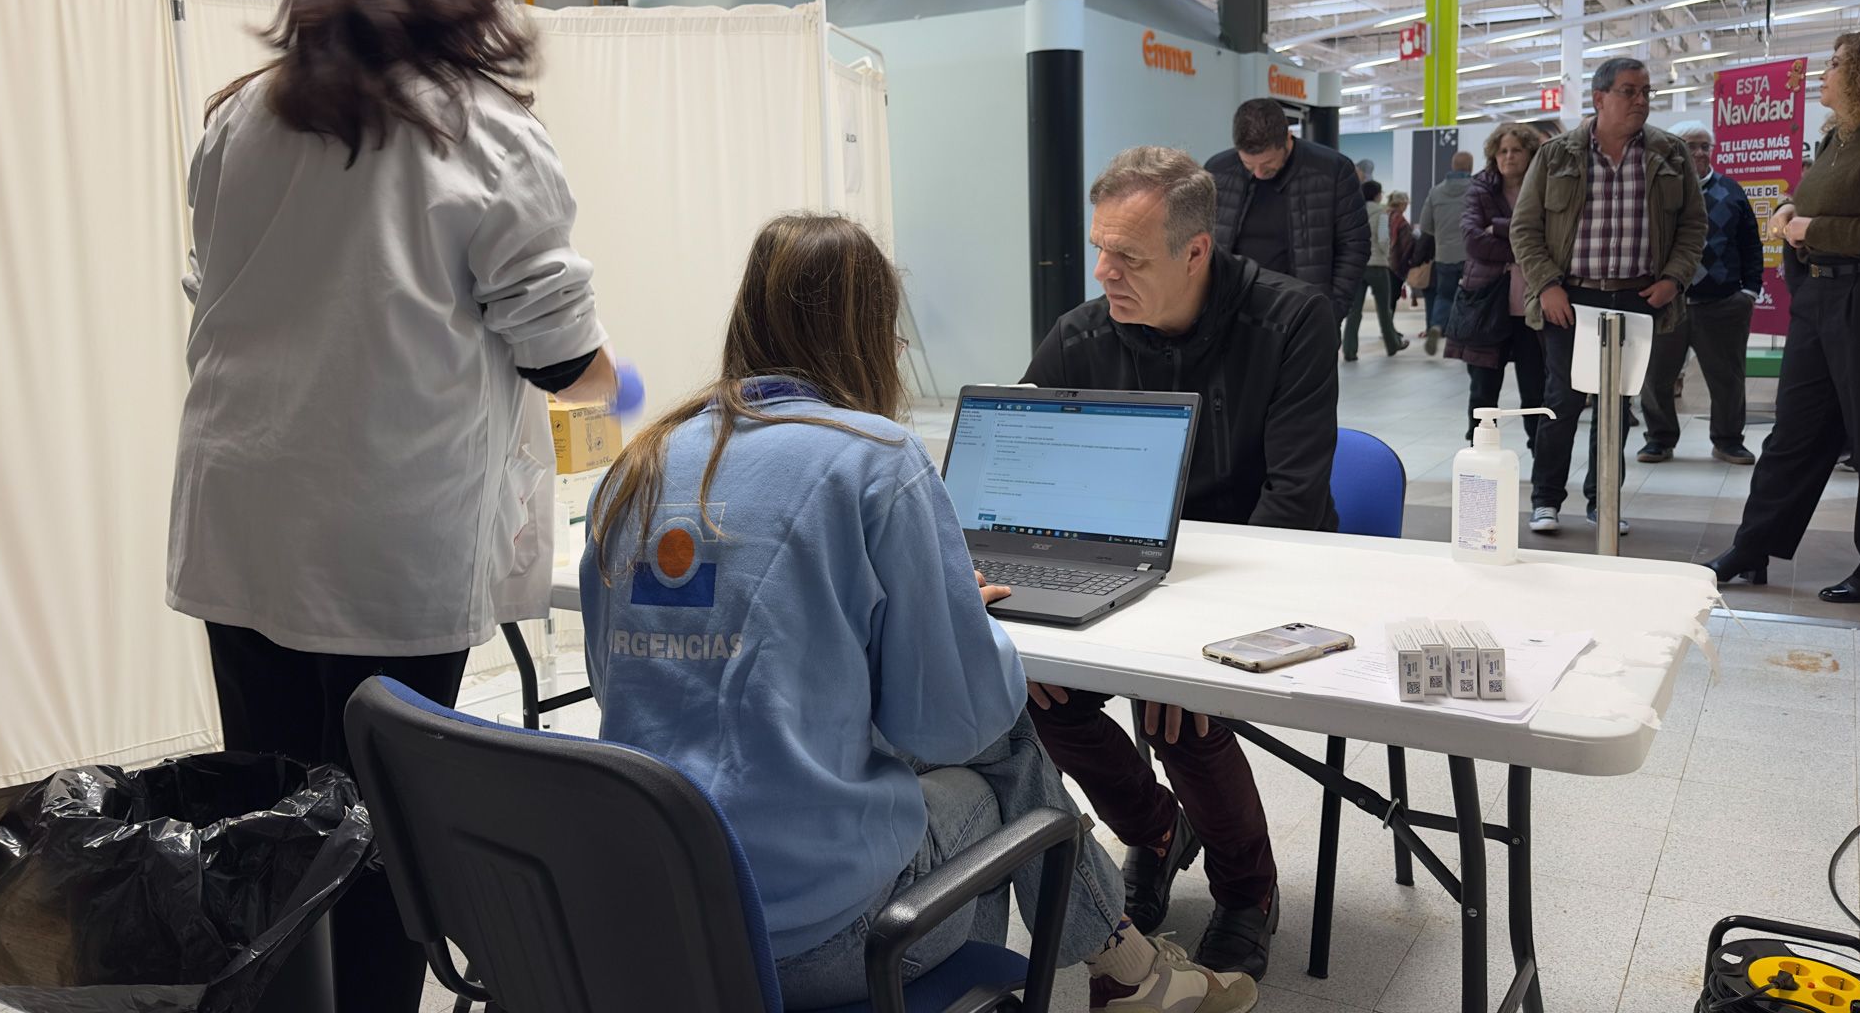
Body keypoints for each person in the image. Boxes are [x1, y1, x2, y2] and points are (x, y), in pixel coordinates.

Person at [580, 214, 1258, 1013]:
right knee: (1003, 749)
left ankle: (1130, 966)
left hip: (655, 915)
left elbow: (628, 683)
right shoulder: (874, 458)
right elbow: (955, 726)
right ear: (867, 336)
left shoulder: (638, 465)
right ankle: (1126, 971)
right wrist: (955, 614)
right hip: (820, 940)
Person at [170, 0, 619, 1013]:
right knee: (382, 836)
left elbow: (215, 294)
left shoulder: (239, 117)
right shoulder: (482, 129)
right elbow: (559, 354)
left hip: (241, 519)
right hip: (386, 533)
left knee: (268, 826)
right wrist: (618, 387)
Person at [1022, 147, 1340, 980]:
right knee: (1034, 688)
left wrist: (1181, 647)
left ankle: (1246, 890)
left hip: (1260, 574)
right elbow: (1021, 468)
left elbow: (1293, 502)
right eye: (1099, 248)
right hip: (1124, 573)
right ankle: (1157, 830)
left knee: (1182, 706)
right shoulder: (1081, 335)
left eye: (1127, 256)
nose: (1103, 272)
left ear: (1195, 251)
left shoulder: (1290, 321)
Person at [1709, 29, 1860, 604]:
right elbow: (1816, 201)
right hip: (1820, 297)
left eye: (1837, 63)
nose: (1824, 73)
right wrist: (1791, 207)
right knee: (1793, 430)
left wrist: (1812, 229)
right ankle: (1752, 546)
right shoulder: (1839, 136)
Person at [1511, 57, 1708, 536]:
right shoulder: (1556, 155)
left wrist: (1674, 279)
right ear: (1599, 98)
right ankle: (1546, 500)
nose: (1640, 100)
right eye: (1628, 91)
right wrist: (1547, 285)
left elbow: (1693, 226)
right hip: (1570, 300)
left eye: (1645, 91)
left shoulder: (1670, 153)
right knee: (1562, 401)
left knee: (1616, 407)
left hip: (1638, 298)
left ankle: (1604, 501)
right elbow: (1525, 228)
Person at [1638, 121, 1763, 466]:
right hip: (1666, 304)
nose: (1699, 152)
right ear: (1674, 149)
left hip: (1722, 303)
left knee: (1727, 379)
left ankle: (1728, 440)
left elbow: (1751, 244)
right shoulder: (1658, 191)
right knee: (1656, 377)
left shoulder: (1731, 191)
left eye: (1705, 145)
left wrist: (1749, 291)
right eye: (1691, 145)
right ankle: (1659, 439)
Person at [1206, 99, 1370, 321]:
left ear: (1288, 138)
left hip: (1301, 313)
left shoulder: (1333, 170)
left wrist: (1331, 310)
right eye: (1248, 165)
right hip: (1231, 312)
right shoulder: (1217, 171)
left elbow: (1355, 245)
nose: (1258, 173)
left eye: (1268, 164)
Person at [1446, 123, 1548, 442]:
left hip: (1533, 307)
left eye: (1516, 150)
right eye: (1502, 151)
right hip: (1486, 304)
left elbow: (1552, 237)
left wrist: (1499, 228)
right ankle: (1478, 452)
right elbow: (1473, 241)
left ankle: (1541, 457)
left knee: (1536, 392)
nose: (1509, 156)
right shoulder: (1480, 189)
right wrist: (1527, 248)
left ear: (1530, 153)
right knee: (1483, 391)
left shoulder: (1544, 187)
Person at [1343, 179, 1410, 359]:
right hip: (1377, 265)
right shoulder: (1381, 213)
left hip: (1357, 266)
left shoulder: (1352, 212)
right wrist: (1385, 255)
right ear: (1377, 195)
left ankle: (1349, 350)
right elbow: (1383, 239)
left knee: (1354, 310)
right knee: (1383, 309)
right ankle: (1392, 345)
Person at [1419, 151, 1475, 354]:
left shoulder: (1435, 192)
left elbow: (1425, 225)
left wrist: (1442, 236)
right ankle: (1465, 337)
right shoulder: (1476, 189)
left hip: (1444, 255)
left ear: (1452, 166)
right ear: (1470, 167)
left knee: (1443, 295)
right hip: (1471, 255)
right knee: (1471, 297)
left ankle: (1436, 326)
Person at [1386, 190, 1416, 311]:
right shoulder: (1401, 221)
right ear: (1401, 204)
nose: (1406, 206)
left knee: (1386, 298)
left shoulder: (1384, 216)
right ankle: (1388, 323)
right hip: (1395, 263)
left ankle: (1386, 322)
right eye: (1406, 204)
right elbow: (1407, 244)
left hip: (1382, 262)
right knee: (1392, 298)